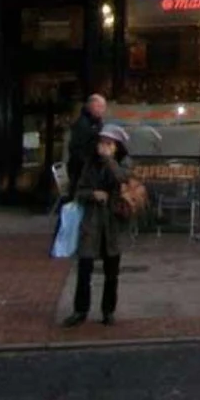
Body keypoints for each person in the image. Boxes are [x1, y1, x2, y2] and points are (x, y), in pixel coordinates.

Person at [64, 123, 132, 327]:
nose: (102, 146)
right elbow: (79, 191)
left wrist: (109, 160)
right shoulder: (90, 163)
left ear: (117, 146)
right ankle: (80, 310)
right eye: (101, 142)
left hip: (113, 224)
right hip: (92, 222)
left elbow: (122, 178)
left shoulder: (124, 162)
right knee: (84, 268)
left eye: (108, 143)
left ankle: (108, 311)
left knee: (112, 272)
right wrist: (93, 194)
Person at [66, 94, 107, 196]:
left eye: (103, 107)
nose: (102, 110)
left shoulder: (96, 122)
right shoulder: (83, 124)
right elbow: (78, 149)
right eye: (99, 106)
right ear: (90, 106)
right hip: (80, 170)